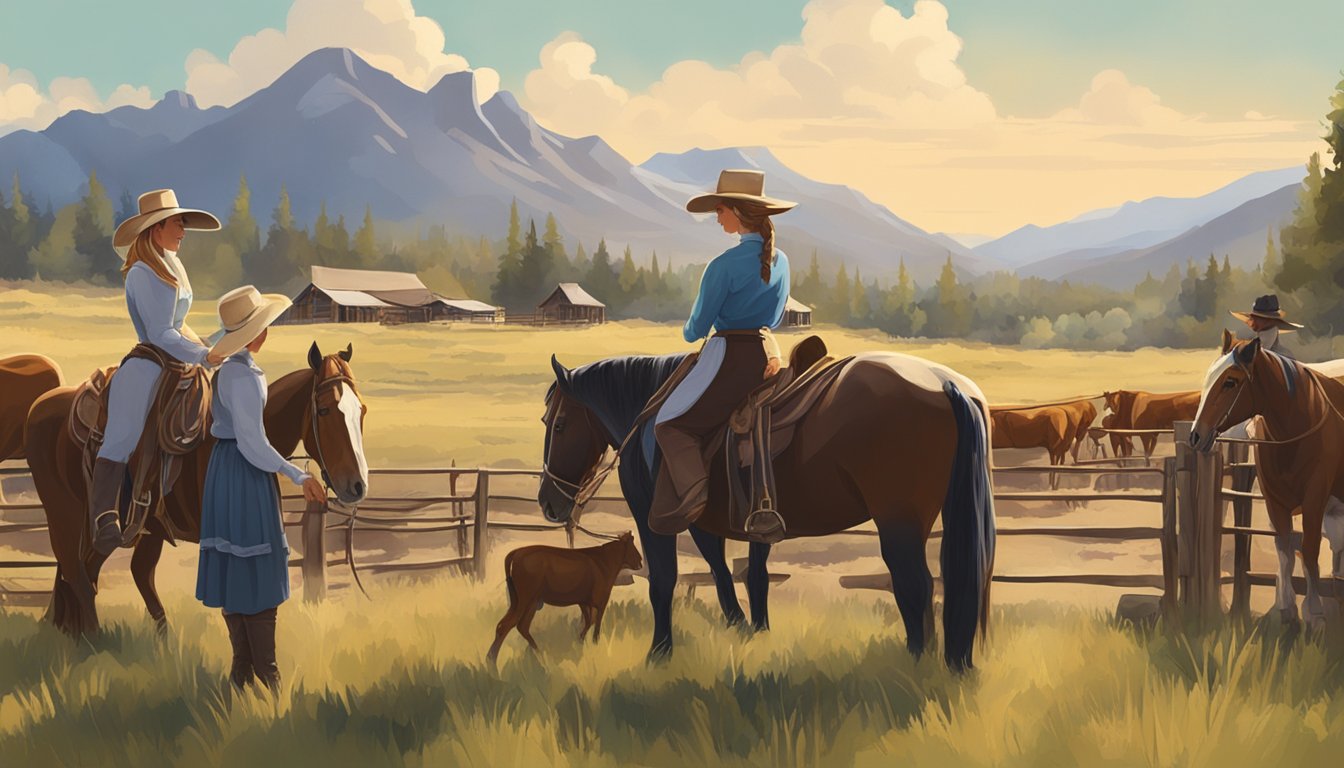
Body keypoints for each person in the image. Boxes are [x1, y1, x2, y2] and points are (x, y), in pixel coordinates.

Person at [649, 169, 795, 539]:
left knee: (670, 424)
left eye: (720, 210)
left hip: (729, 358)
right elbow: (776, 318)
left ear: (737, 212)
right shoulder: (782, 262)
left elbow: (696, 329)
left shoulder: (722, 266)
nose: (717, 218)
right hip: (765, 354)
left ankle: (695, 493)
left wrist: (688, 329)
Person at [196, 285, 326, 691]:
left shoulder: (227, 371)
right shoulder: (245, 376)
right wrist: (297, 474)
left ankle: (242, 670)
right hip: (245, 473)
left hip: (225, 468)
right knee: (257, 570)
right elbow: (254, 443)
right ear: (258, 333)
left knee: (237, 570)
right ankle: (266, 674)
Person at [89, 190, 223, 555]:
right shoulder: (142, 273)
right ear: (156, 227)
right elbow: (161, 332)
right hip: (150, 358)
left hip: (178, 354)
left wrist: (209, 349)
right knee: (124, 429)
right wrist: (202, 354)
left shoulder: (172, 263)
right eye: (178, 222)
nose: (183, 229)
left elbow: (179, 323)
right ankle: (104, 514)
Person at [1230, 294, 1303, 360]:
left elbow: (1262, 349)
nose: (1252, 321)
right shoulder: (1259, 333)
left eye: (1256, 318)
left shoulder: (1270, 332)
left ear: (1267, 321)